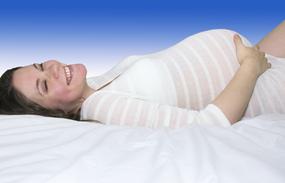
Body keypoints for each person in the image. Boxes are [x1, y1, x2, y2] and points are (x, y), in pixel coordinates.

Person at [0, 20, 284, 128]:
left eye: (39, 66)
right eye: (44, 86)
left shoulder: (95, 87)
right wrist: (249, 65)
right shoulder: (104, 107)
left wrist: (251, 57)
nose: (50, 70)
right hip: (266, 86)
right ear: (55, 114)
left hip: (260, 62)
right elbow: (207, 126)